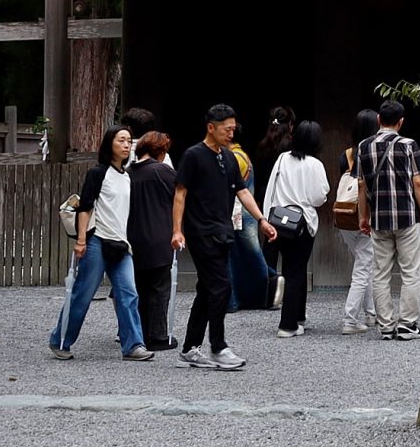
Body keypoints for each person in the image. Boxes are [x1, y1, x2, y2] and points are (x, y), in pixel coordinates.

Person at [170, 104, 277, 370]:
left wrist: (262, 219)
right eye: (226, 129)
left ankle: (190, 348)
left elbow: (242, 192)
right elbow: (180, 194)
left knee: (207, 289)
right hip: (200, 231)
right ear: (211, 127)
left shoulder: (229, 158)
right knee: (220, 286)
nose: (231, 133)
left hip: (222, 230)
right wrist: (176, 229)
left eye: (233, 129)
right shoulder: (193, 156)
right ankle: (217, 346)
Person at [50, 127, 152, 360]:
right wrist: (81, 240)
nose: (126, 145)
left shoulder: (127, 176)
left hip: (121, 243)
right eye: (121, 141)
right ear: (110, 144)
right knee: (83, 293)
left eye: (129, 141)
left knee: (129, 293)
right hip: (97, 240)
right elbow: (85, 207)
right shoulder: (98, 173)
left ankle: (133, 345)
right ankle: (61, 340)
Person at [359, 99, 420, 340]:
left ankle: (386, 326)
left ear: (379, 119)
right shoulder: (409, 145)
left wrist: (363, 216)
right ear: (401, 122)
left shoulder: (364, 147)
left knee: (380, 272)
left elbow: (361, 186)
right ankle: (407, 324)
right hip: (407, 216)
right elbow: (418, 182)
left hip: (379, 218)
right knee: (410, 271)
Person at [261, 119, 330, 337]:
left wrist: (265, 219)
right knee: (295, 272)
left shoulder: (282, 159)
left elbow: (271, 188)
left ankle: (298, 317)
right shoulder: (314, 165)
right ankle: (288, 324)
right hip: (301, 223)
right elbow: (319, 197)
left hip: (279, 220)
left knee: (290, 270)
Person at [126, 130, 178, 353]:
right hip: (158, 235)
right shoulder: (163, 172)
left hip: (132, 236)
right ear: (160, 150)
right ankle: (157, 335)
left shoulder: (128, 172)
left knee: (138, 288)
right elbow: (180, 197)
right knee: (159, 289)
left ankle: (138, 334)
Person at [229, 110, 280, 312]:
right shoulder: (241, 156)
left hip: (240, 214)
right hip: (245, 214)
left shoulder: (235, 158)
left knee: (250, 255)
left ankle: (270, 284)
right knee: (242, 255)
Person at [337, 109, 380, 334]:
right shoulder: (373, 152)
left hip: (345, 216)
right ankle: (350, 319)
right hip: (366, 216)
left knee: (365, 263)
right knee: (363, 269)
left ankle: (371, 312)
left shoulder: (346, 155)